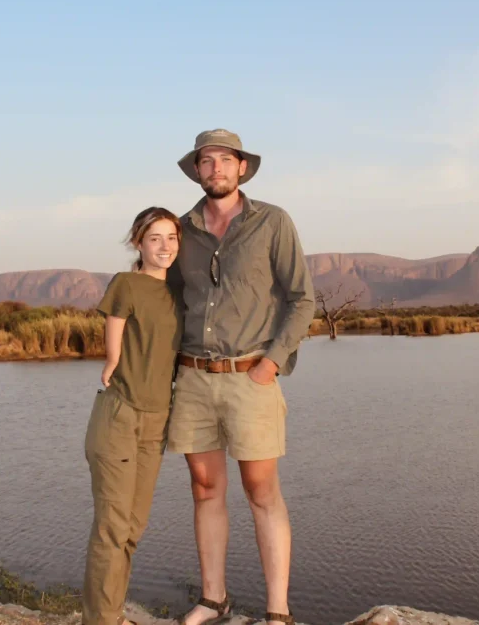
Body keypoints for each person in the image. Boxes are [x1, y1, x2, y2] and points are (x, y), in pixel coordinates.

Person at [167, 130, 315, 625]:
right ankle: (214, 599)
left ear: (242, 168)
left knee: (260, 490)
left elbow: (302, 299)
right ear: (197, 170)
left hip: (250, 375)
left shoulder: (272, 222)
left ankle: (278, 611)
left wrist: (271, 363)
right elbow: (167, 299)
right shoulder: (180, 229)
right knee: (205, 488)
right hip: (192, 376)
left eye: (224, 160)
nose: (215, 169)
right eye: (206, 161)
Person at [82, 207, 183, 625]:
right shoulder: (127, 283)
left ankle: (114, 613)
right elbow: (116, 331)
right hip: (121, 415)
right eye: (154, 238)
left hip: (158, 421)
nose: (164, 247)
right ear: (137, 243)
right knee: (111, 527)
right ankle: (100, 620)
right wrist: (112, 360)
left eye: (172, 238)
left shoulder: (180, 293)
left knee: (132, 529)